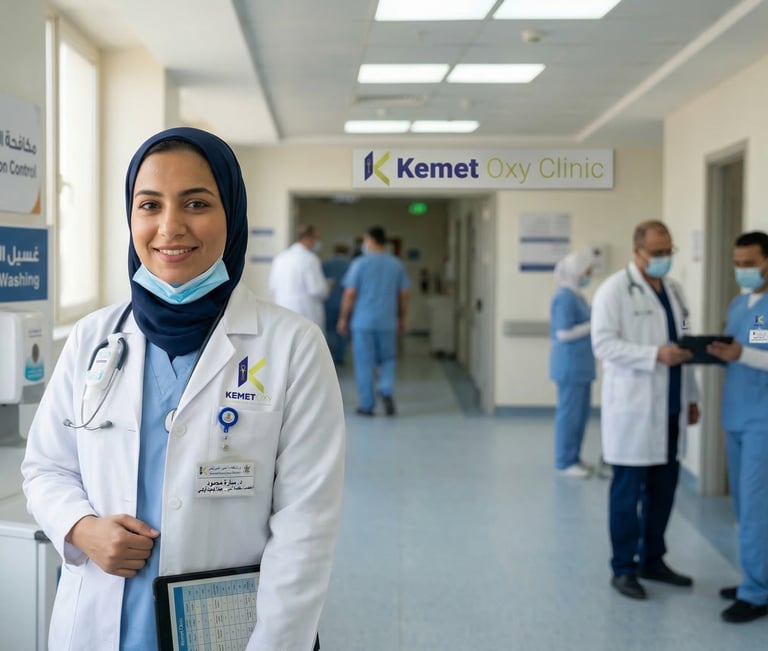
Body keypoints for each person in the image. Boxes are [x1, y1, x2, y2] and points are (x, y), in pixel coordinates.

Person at [21, 127, 345, 650]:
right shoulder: (94, 337)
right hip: (100, 623)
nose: (170, 227)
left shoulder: (293, 346)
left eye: (196, 202)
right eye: (149, 204)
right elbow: (45, 466)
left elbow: (305, 524)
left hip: (231, 632)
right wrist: (82, 528)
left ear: (231, 214)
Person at [591, 220, 699, 601]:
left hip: (671, 405)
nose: (664, 258)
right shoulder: (614, 291)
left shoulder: (676, 290)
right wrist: (654, 355)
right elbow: (603, 345)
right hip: (634, 409)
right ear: (636, 251)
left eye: (669, 251)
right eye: (657, 253)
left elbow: (686, 338)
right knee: (627, 493)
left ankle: (653, 559)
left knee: (663, 491)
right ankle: (623, 567)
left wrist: (693, 396)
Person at [707, 230, 768, 623]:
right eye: (738, 264)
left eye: (751, 264)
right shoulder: (738, 303)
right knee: (744, 507)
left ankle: (756, 593)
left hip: (763, 420)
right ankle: (756, 576)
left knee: (759, 508)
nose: (743, 271)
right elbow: (738, 349)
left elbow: (758, 355)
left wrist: (741, 353)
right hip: (736, 415)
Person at [337, 226, 410, 416]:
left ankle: (367, 405)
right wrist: (402, 318)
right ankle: (385, 389)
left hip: (363, 322)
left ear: (369, 240)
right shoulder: (396, 264)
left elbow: (350, 293)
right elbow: (404, 295)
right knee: (388, 359)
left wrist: (343, 318)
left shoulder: (359, 264)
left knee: (364, 362)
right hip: (387, 321)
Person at [549, 250, 596, 479]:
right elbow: (563, 333)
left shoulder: (578, 296)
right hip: (570, 366)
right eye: (587, 271)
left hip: (582, 366)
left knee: (580, 415)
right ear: (577, 272)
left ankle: (574, 457)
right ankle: (564, 461)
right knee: (569, 415)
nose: (589, 275)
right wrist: (593, 324)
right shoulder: (564, 297)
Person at [268, 224, 329, 328]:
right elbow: (316, 290)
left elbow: (272, 287)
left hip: (282, 312)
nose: (317, 242)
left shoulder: (280, 257)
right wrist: (327, 287)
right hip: (306, 315)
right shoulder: (310, 259)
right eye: (315, 238)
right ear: (308, 238)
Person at [322, 242, 351, 365]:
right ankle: (340, 357)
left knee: (328, 330)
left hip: (328, 303)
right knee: (342, 330)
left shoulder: (325, 265)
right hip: (345, 303)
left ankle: (329, 356)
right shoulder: (351, 265)